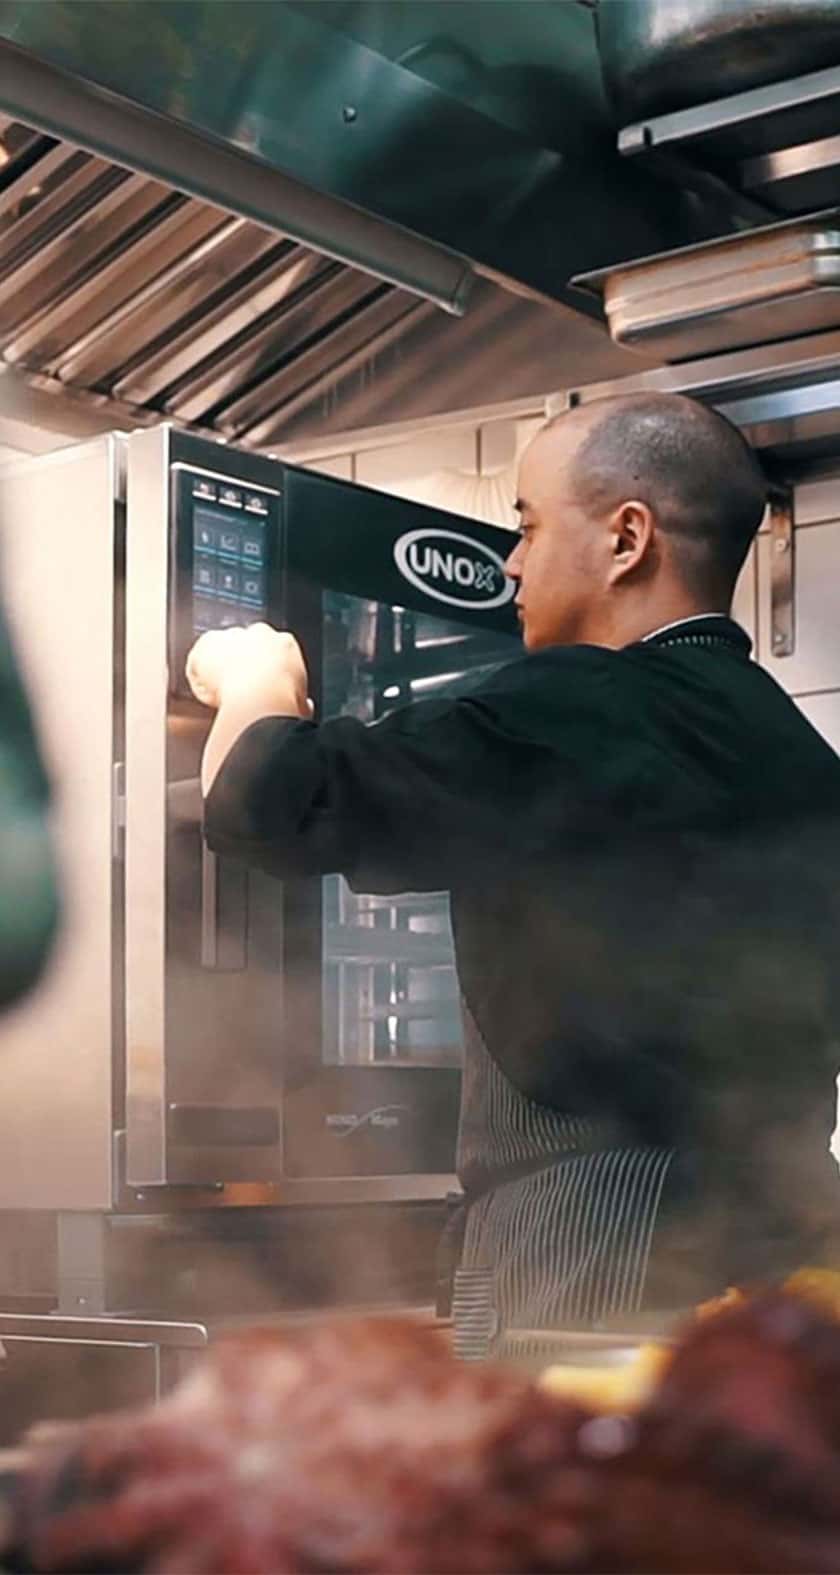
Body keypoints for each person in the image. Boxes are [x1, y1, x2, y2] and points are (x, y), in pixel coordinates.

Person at [186, 393, 840, 1358]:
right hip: (796, 1254)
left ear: (627, 538)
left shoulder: (579, 705)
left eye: (528, 527)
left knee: (582, 1460)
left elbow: (266, 802)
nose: (512, 565)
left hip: (596, 1248)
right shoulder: (802, 753)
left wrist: (256, 677)